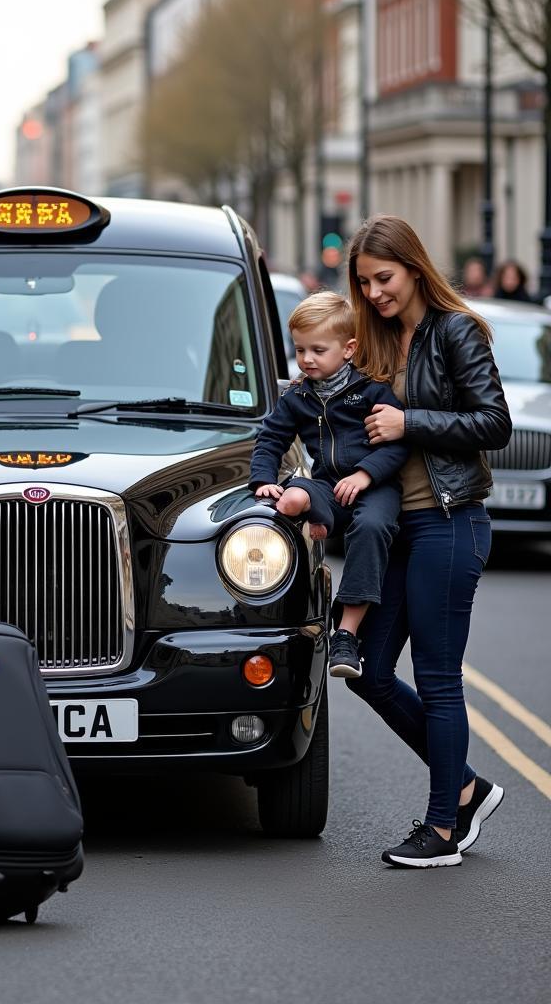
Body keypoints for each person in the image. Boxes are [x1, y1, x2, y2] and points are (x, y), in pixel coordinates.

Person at [347, 214, 511, 869]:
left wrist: (409, 420)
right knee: (365, 667)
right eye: (363, 284)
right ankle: (466, 787)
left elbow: (493, 421)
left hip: (449, 521)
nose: (375, 293)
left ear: (414, 268)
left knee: (438, 679)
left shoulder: (456, 330)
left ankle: (445, 827)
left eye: (383, 278)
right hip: (398, 531)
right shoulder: (379, 338)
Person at [249, 291, 408, 678]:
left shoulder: (370, 392)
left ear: (348, 348)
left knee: (371, 527)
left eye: (318, 349)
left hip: (374, 487)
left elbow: (398, 445)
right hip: (327, 485)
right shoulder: (297, 397)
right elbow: (270, 439)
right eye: (300, 349)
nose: (307, 359)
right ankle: (314, 530)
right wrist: (263, 480)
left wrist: (365, 473)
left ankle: (346, 635)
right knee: (288, 501)